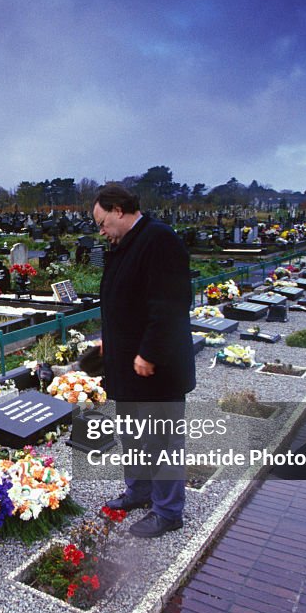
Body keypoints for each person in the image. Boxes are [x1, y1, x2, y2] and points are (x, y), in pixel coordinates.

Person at [93, 184, 196, 538]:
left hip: (156, 368)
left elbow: (171, 303)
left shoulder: (158, 240)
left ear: (119, 209)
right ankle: (139, 492)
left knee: (163, 439)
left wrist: (150, 352)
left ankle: (168, 511)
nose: (101, 230)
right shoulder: (126, 244)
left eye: (103, 222)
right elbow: (124, 298)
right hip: (128, 365)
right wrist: (110, 335)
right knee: (134, 434)